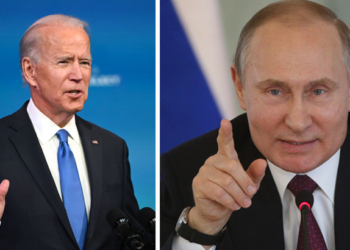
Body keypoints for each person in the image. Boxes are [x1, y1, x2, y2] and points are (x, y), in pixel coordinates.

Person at [161, 0, 350, 249]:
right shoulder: (180, 176)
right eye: (275, 91)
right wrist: (203, 228)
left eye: (318, 91)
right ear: (240, 88)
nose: (298, 122)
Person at [0, 15, 145, 250]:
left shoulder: (112, 147)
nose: (78, 75)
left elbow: (131, 237)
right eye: (64, 62)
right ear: (30, 71)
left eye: (85, 62)